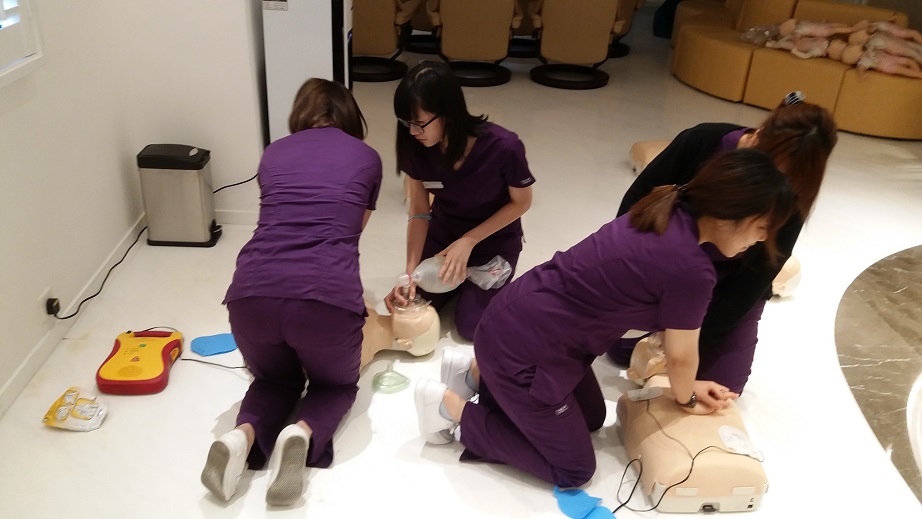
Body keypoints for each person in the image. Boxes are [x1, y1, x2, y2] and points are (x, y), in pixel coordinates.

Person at [414, 148, 797, 487]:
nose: (761, 239)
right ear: (733, 213)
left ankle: (474, 373)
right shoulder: (692, 270)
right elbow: (681, 358)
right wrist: (689, 397)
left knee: (592, 418)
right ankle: (449, 408)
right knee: (573, 469)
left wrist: (691, 385)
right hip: (527, 351)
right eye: (762, 228)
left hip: (517, 318)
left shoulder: (663, 208)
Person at [200, 78, 382, 505]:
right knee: (334, 386)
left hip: (250, 296)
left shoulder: (274, 153)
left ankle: (241, 437)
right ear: (350, 117)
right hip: (324, 300)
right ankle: (301, 433)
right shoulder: (367, 158)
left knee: (274, 379)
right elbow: (352, 229)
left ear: (301, 113)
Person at [608, 93, 838, 394]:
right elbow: (634, 209)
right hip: (668, 265)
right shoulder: (704, 141)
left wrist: (689, 342)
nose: (775, 188)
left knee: (722, 387)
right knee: (622, 350)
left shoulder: (796, 191)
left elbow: (754, 280)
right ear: (758, 137)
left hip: (728, 283)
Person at [384, 61, 535, 340]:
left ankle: (491, 287)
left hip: (493, 240)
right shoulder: (416, 147)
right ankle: (457, 282)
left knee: (470, 326)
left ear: (448, 111)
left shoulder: (503, 146)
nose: (413, 132)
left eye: (419, 123)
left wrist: (469, 240)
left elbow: (521, 203)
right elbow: (419, 212)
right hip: (444, 239)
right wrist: (410, 274)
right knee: (413, 307)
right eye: (406, 123)